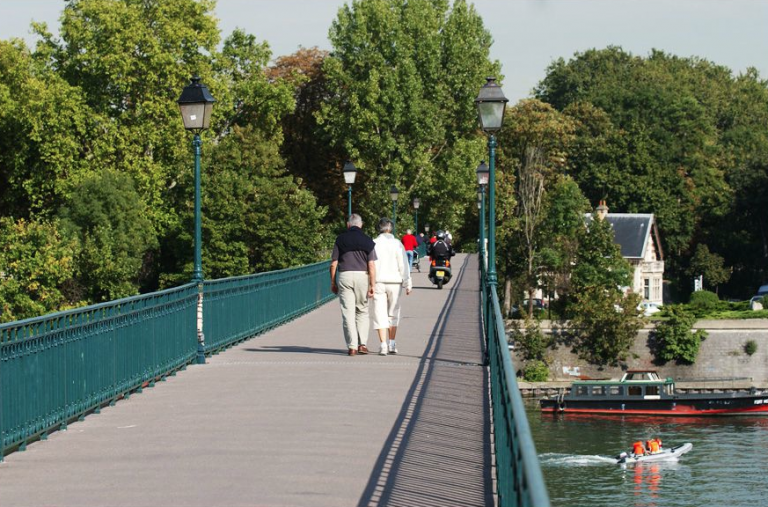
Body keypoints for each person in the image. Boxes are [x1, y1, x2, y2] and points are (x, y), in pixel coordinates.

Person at [330, 214, 377, 356]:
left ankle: (352, 347)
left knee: (347, 312)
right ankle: (362, 344)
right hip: (362, 276)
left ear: (348, 224)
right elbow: (371, 265)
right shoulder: (368, 241)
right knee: (362, 310)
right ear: (361, 225)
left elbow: (333, 264)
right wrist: (372, 285)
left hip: (345, 276)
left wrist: (333, 282)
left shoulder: (340, 239)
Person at [372, 218, 412, 355]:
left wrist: (369, 283)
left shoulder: (374, 243)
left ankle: (383, 344)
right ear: (391, 229)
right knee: (393, 313)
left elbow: (370, 264)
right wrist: (407, 283)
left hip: (378, 281)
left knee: (379, 313)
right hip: (395, 282)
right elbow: (403, 264)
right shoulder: (397, 244)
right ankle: (392, 343)